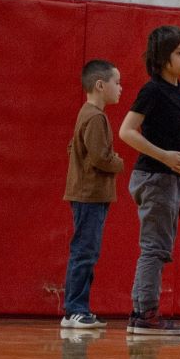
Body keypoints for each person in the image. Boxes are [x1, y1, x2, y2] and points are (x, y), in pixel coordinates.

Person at [118, 25, 180, 337]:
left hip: (171, 178)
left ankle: (142, 312)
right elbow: (126, 131)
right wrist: (164, 155)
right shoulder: (152, 91)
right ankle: (145, 313)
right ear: (164, 59)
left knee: (158, 247)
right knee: (154, 248)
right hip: (154, 176)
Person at [62, 59, 125, 329]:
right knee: (85, 252)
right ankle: (75, 309)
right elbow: (100, 157)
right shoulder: (96, 117)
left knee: (87, 252)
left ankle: (80, 308)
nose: (120, 88)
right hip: (89, 195)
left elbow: (72, 149)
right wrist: (118, 163)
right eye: (117, 82)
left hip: (89, 194)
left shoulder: (86, 113)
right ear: (100, 85)